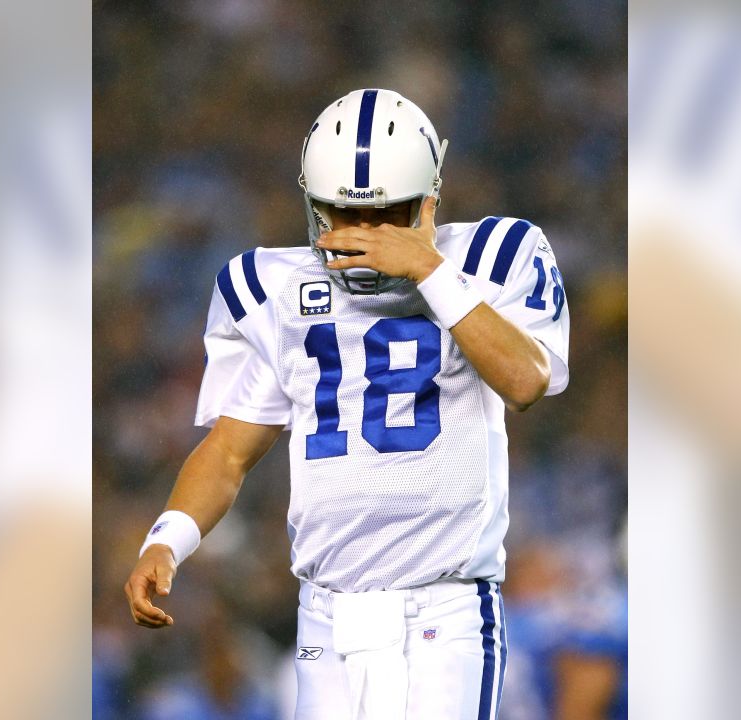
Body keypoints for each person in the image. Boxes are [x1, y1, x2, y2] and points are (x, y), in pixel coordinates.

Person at [125, 88, 571, 720]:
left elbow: (529, 380)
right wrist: (165, 541)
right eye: (341, 213)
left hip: (444, 608)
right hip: (326, 615)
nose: (361, 235)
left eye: (385, 214)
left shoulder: (494, 257)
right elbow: (228, 452)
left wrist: (430, 272)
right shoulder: (275, 287)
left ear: (429, 199)